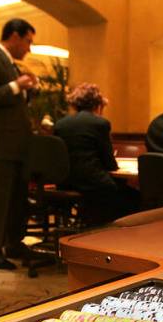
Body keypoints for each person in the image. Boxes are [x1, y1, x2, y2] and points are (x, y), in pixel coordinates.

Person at [0, 18, 42, 270]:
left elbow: (13, 101)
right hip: (0, 145)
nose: (29, 48)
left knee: (17, 200)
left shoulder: (11, 64)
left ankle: (13, 243)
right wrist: (16, 85)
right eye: (28, 41)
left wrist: (29, 90)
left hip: (18, 145)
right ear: (14, 35)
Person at [54, 82, 138, 225]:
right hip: (93, 183)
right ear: (98, 105)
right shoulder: (100, 123)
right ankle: (112, 235)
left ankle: (90, 224)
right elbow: (110, 164)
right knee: (134, 197)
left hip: (66, 182)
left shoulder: (61, 124)